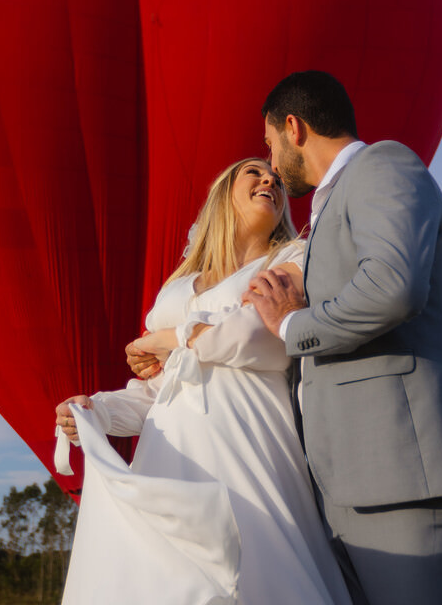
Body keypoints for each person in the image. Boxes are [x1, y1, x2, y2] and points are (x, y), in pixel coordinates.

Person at [246, 70, 442, 605]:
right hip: (344, 486)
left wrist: (294, 326)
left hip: (407, 475)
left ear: (293, 128)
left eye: (268, 143)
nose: (270, 162)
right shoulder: (326, 213)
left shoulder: (384, 165)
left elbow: (392, 287)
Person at [54, 158, 352, 605]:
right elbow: (156, 390)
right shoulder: (178, 288)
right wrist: (97, 410)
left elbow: (259, 334)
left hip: (248, 439)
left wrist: (169, 338)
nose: (269, 178)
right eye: (253, 172)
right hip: (168, 455)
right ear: (221, 195)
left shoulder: (292, 258)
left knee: (261, 566)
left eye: (274, 177)